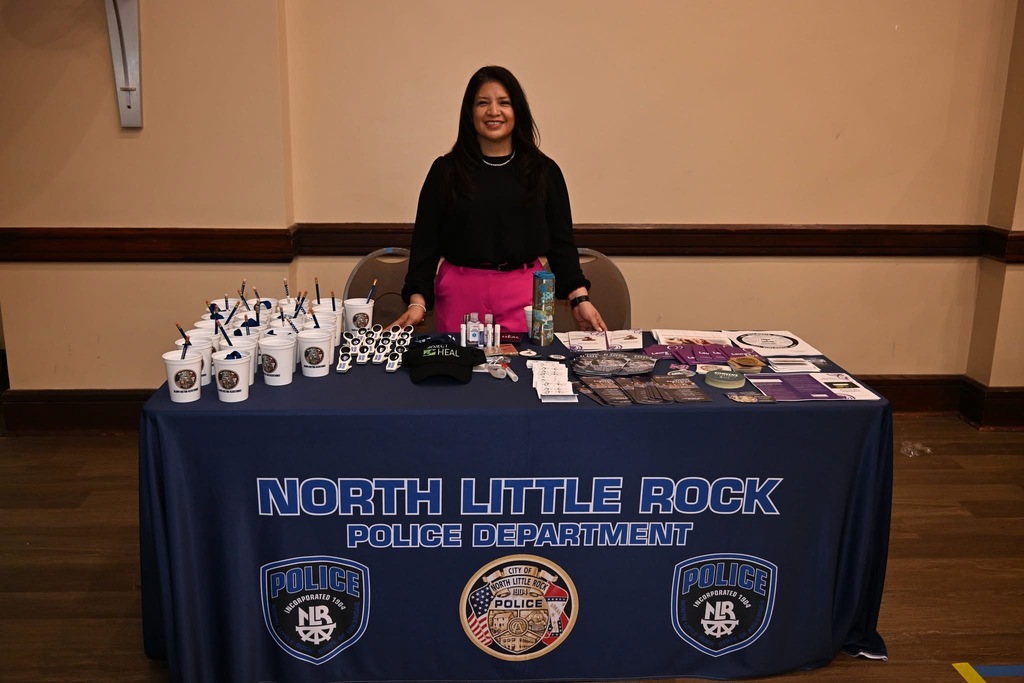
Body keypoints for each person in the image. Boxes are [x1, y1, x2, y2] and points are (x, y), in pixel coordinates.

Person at [390, 65, 606, 334]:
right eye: (483, 103)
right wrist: (417, 303)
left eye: (504, 103)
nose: (493, 112)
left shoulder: (544, 171)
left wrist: (579, 298)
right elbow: (425, 244)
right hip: (460, 293)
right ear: (470, 113)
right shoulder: (445, 171)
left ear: (518, 110)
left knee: (526, 371)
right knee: (461, 373)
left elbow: (561, 243)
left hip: (528, 297)